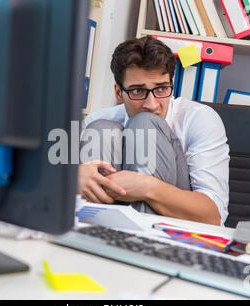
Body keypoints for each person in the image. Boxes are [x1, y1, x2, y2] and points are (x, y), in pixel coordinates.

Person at [78, 35, 229, 226]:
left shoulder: (200, 119)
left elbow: (213, 216)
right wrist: (74, 179)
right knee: (100, 129)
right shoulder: (99, 120)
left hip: (177, 232)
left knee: (145, 124)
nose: (151, 104)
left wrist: (146, 186)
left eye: (161, 89)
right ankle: (93, 240)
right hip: (108, 230)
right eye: (138, 91)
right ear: (118, 92)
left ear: (172, 86)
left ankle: (138, 247)